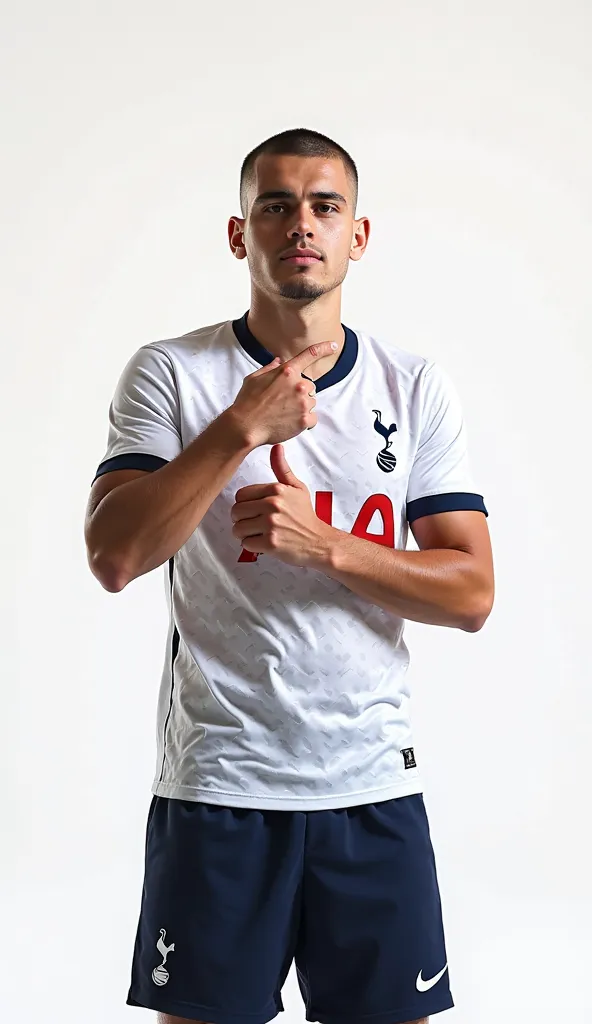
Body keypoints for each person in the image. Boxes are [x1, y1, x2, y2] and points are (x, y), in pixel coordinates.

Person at [85, 128, 494, 1024]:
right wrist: (240, 427)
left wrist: (327, 547)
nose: (299, 225)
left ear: (358, 235)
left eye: (323, 206)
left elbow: (471, 594)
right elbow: (116, 555)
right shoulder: (173, 374)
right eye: (274, 205)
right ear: (241, 235)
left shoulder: (413, 384)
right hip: (222, 787)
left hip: (373, 790)